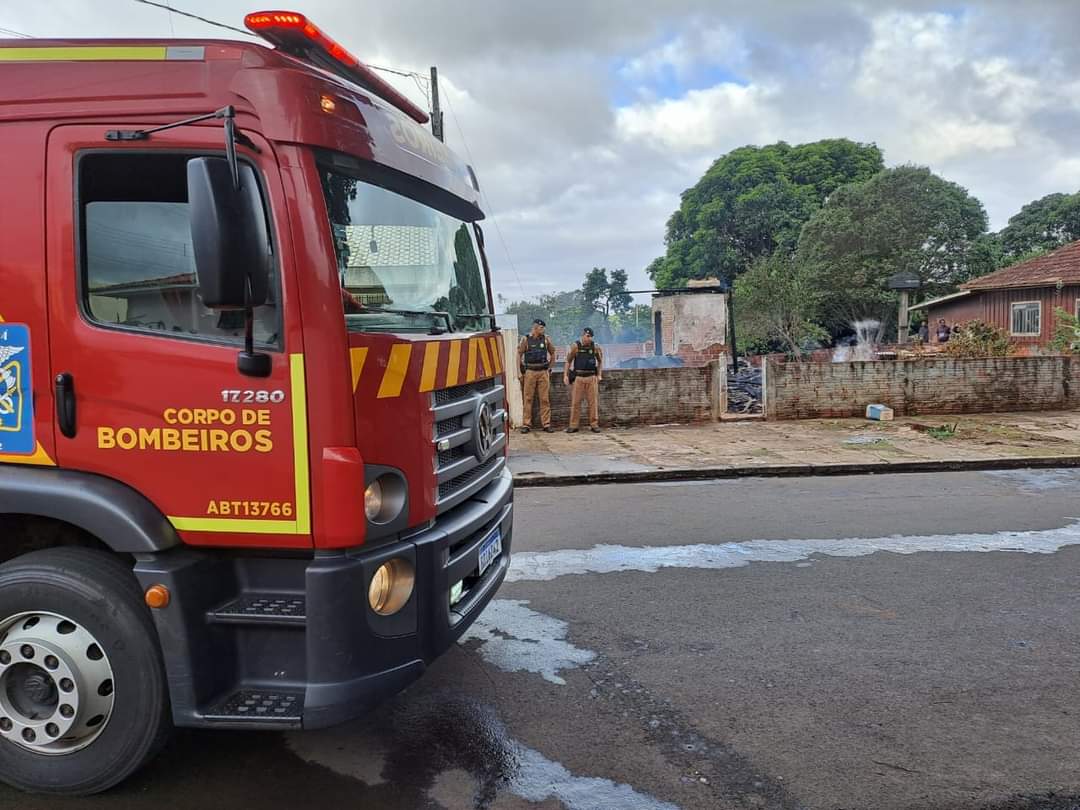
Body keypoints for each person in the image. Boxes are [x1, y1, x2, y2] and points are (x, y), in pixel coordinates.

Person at [517, 318, 556, 433]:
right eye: (541, 328)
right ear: (535, 327)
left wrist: (550, 368)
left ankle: (546, 424)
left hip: (543, 372)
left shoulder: (546, 339)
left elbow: (553, 353)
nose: (543, 330)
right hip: (530, 372)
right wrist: (519, 371)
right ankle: (526, 424)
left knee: (544, 399)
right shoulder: (525, 339)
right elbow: (518, 355)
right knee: (528, 398)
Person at [564, 327, 603, 433]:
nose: (589, 339)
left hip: (591, 378)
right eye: (587, 336)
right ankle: (573, 425)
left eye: (591, 337)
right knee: (576, 402)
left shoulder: (595, 347)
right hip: (579, 378)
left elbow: (600, 361)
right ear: (583, 335)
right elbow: (568, 361)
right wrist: (565, 375)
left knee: (593, 402)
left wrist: (599, 375)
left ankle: (594, 424)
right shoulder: (575, 346)